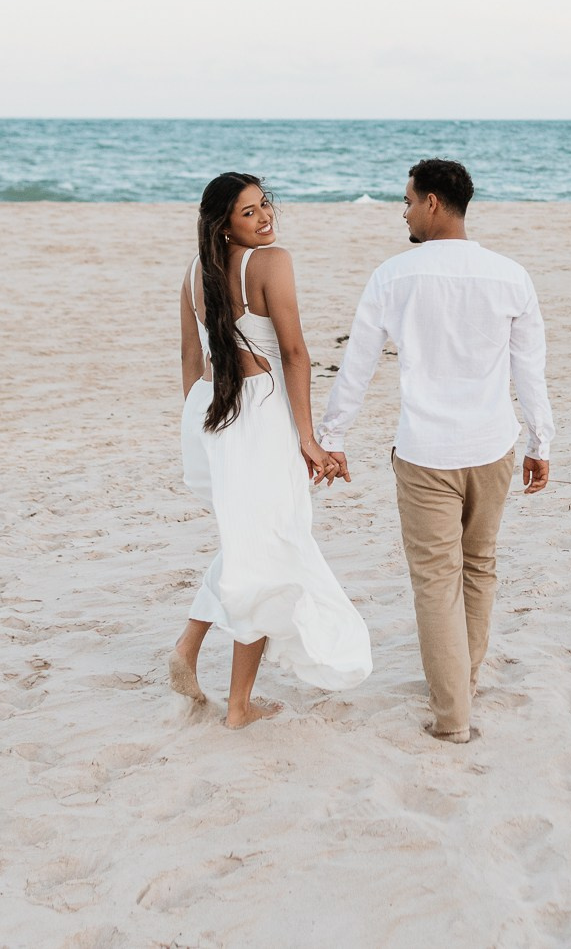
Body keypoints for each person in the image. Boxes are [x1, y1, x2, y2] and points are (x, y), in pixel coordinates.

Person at [318, 159, 553, 744]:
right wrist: (540, 440)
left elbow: (358, 367)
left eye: (405, 201)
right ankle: (461, 682)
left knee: (435, 579)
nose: (402, 211)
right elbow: (531, 371)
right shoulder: (510, 276)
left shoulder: (393, 277)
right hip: (494, 446)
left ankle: (452, 716)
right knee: (479, 567)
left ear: (431, 203)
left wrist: (333, 438)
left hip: (426, 452)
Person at [172, 172, 372, 729]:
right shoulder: (271, 262)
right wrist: (309, 437)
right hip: (259, 415)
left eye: (265, 206)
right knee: (267, 550)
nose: (265, 218)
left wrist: (198, 426)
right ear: (223, 224)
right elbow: (294, 352)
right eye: (248, 212)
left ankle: (189, 649)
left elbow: (191, 364)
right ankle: (238, 708)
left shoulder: (192, 274)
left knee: (250, 541)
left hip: (214, 415)